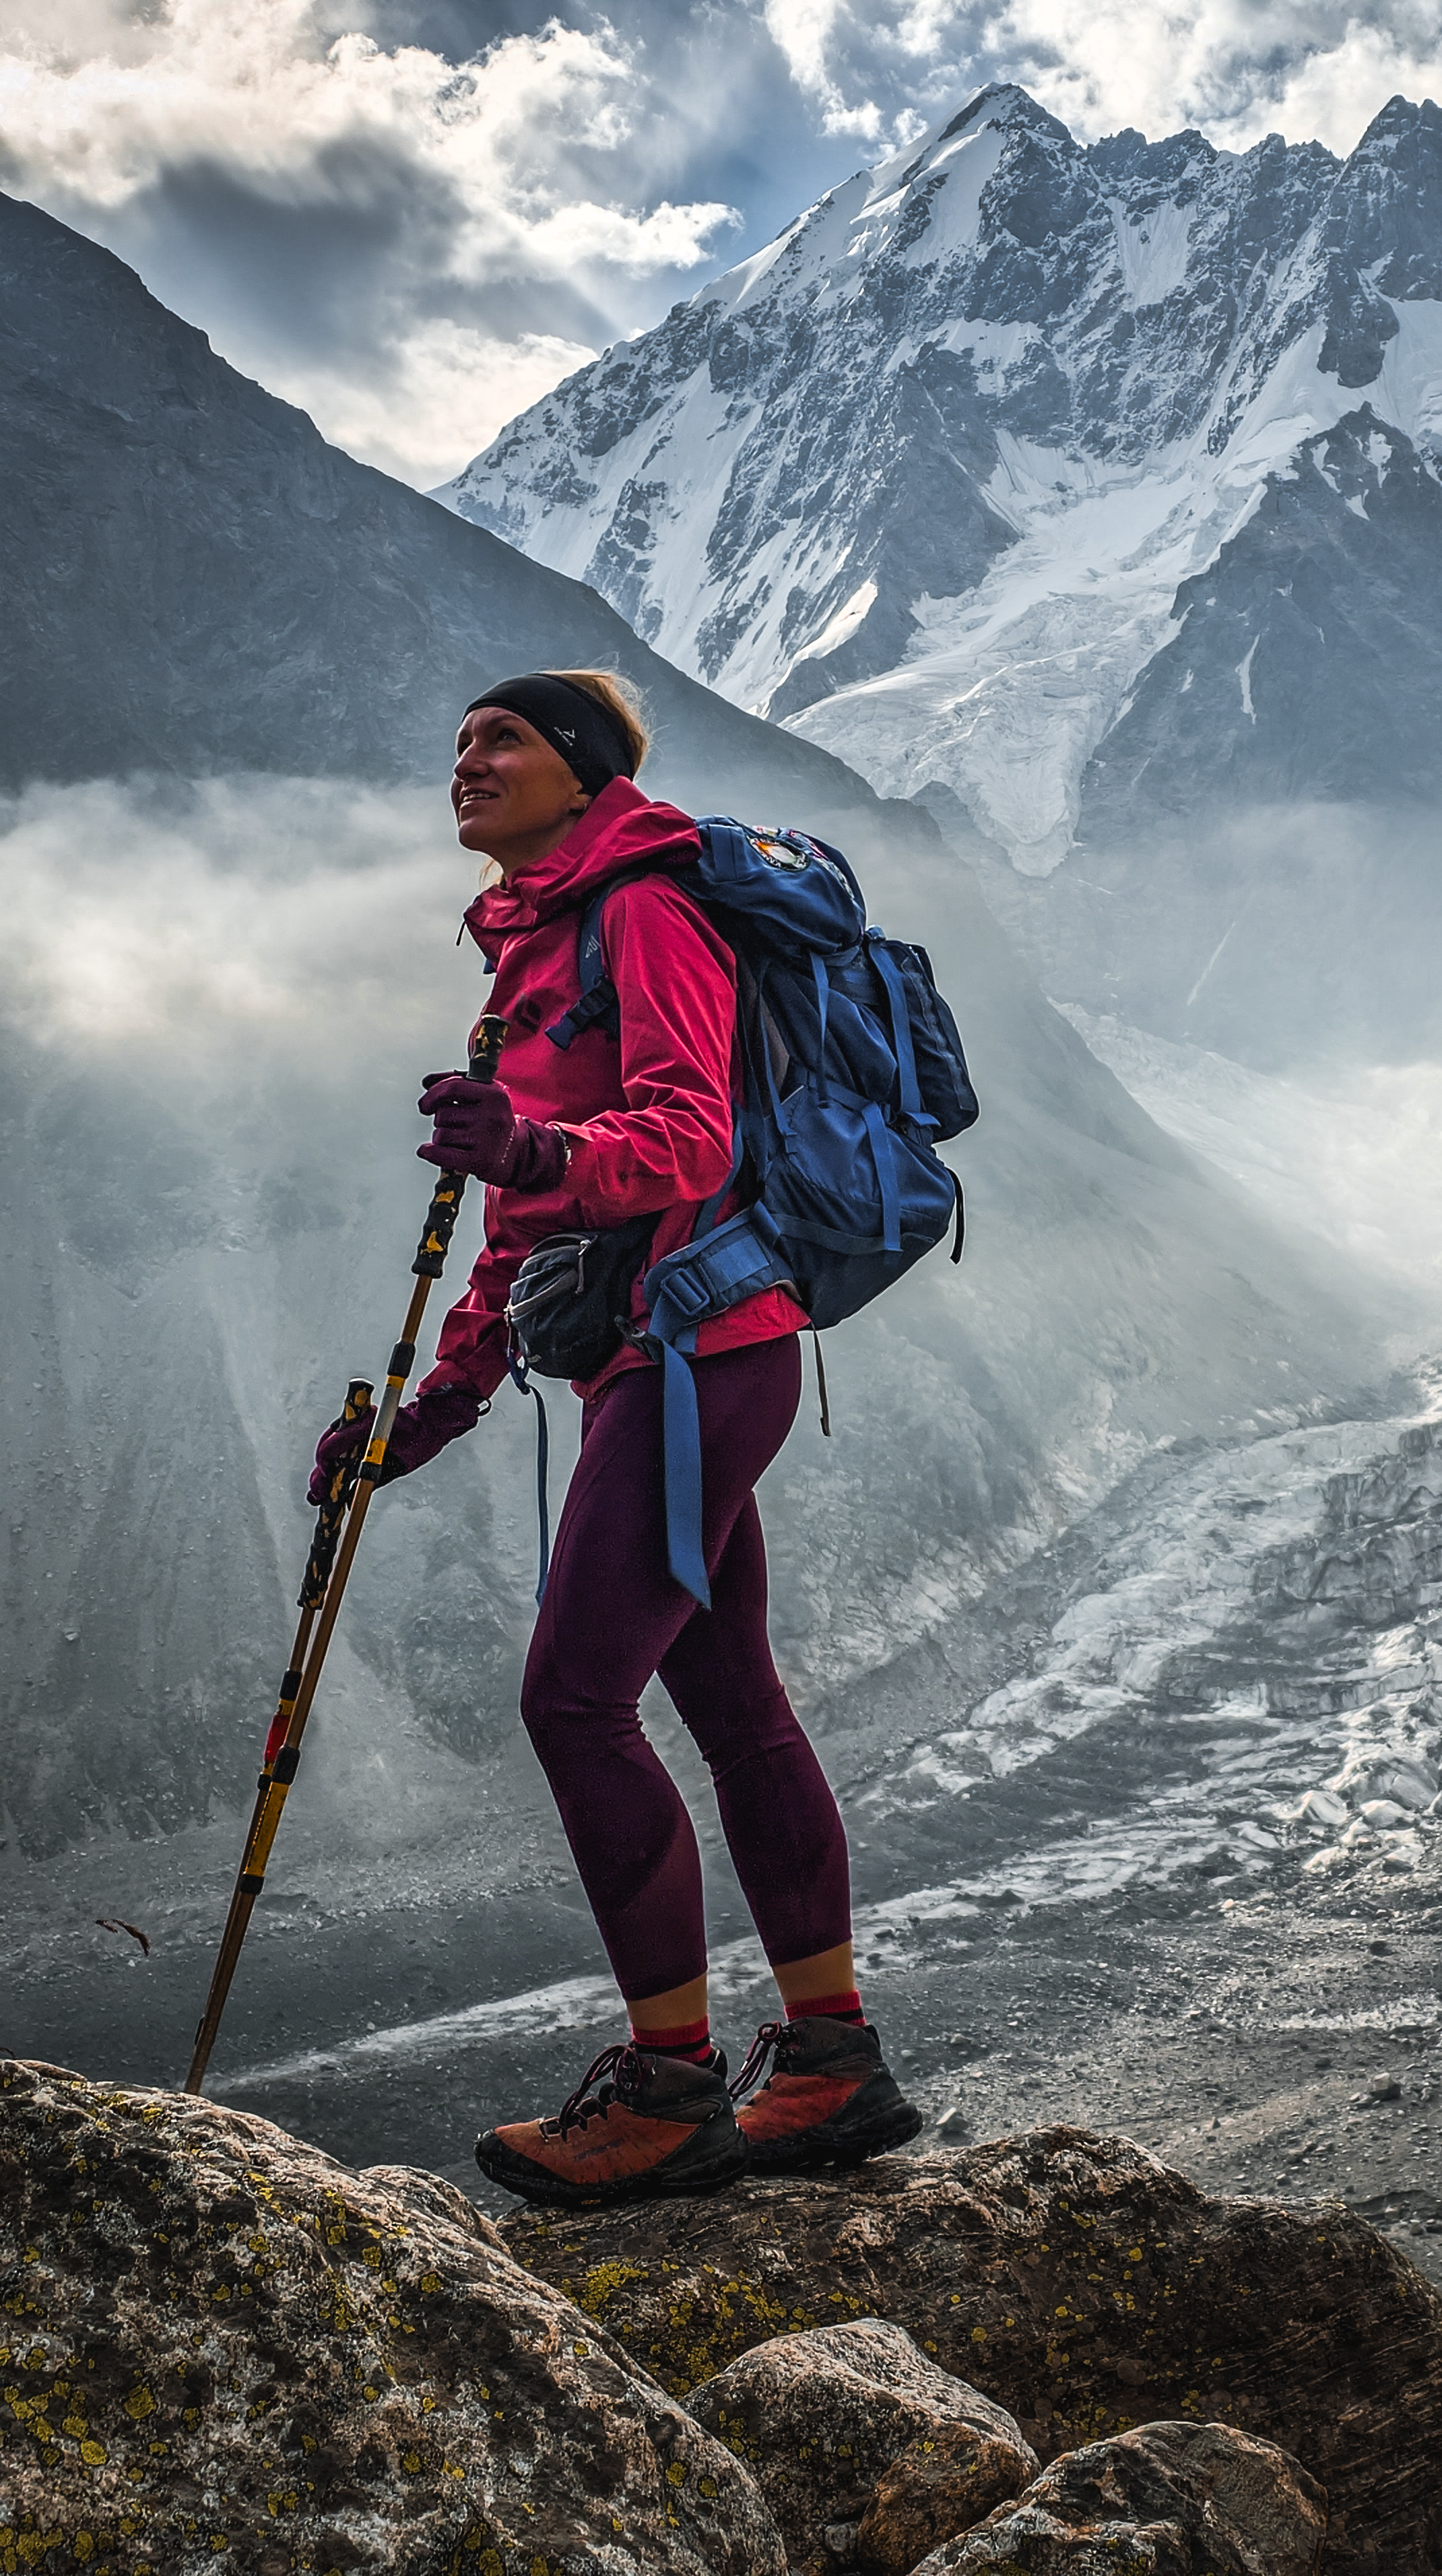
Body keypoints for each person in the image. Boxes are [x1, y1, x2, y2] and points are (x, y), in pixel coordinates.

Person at [310, 668, 920, 2206]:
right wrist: (427, 1414)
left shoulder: (640, 902)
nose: (468, 762)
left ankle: (668, 2092)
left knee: (576, 1703)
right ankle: (832, 2064)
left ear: (581, 773)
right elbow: (527, 1228)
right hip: (674, 1361)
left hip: (698, 1350)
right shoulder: (531, 939)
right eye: (454, 742)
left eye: (501, 739)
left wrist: (529, 1139)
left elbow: (688, 1132)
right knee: (729, 1699)